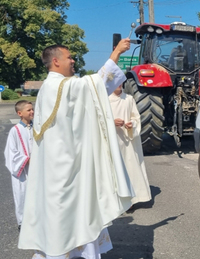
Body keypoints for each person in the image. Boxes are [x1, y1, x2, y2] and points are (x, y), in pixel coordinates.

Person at [18, 39, 135, 258]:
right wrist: (116, 53)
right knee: (75, 209)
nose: (73, 61)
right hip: (66, 166)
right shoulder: (59, 86)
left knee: (60, 210)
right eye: (69, 57)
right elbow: (96, 85)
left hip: (58, 162)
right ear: (55, 61)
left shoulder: (49, 87)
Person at [109, 85, 152, 207]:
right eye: (116, 82)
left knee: (129, 169)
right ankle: (115, 200)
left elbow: (136, 117)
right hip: (113, 139)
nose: (119, 85)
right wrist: (111, 122)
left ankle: (130, 200)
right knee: (113, 169)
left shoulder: (129, 99)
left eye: (121, 82)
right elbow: (100, 118)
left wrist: (132, 124)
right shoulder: (105, 99)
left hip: (127, 141)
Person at [4, 100, 34, 232]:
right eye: (29, 110)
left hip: (38, 170)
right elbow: (11, 154)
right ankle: (24, 225)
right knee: (23, 195)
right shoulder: (15, 131)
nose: (32, 111)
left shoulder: (37, 128)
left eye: (32, 109)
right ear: (20, 113)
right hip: (23, 171)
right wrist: (27, 160)